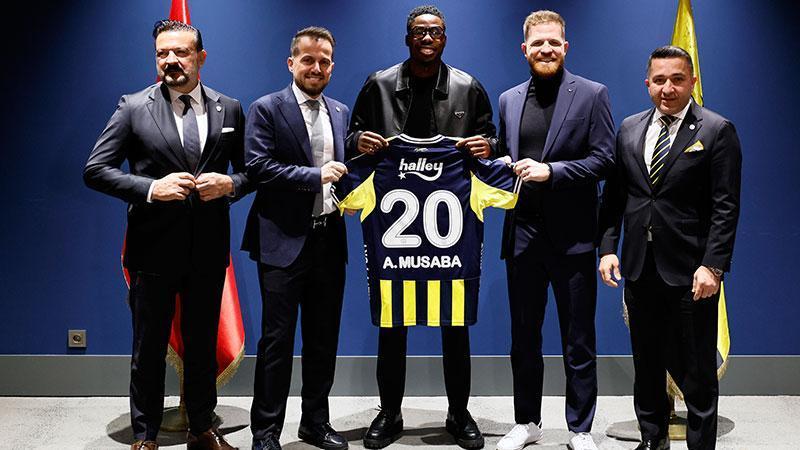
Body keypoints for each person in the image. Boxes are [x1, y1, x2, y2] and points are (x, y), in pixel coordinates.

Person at [84, 19, 249, 450]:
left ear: (200, 57)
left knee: (202, 346)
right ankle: (145, 435)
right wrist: (150, 189)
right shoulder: (132, 107)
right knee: (149, 349)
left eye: (180, 52)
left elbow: (253, 170)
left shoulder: (230, 108)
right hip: (152, 250)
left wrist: (230, 184)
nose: (170, 60)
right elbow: (95, 170)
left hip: (207, 251)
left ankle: (201, 429)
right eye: (162, 53)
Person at [346, 5, 496, 449]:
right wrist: (358, 141)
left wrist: (487, 145)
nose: (427, 38)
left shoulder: (468, 87)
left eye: (435, 31)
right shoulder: (378, 84)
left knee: (455, 326)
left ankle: (459, 413)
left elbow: (494, 139)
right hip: (396, 231)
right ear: (407, 37)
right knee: (392, 326)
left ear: (445, 38)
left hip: (450, 229)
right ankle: (389, 412)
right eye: (419, 31)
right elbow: (350, 137)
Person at [597, 45, 741, 450]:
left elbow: (726, 206)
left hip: (691, 272)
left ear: (691, 81)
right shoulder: (629, 128)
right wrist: (607, 248)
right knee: (646, 363)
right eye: (659, 80)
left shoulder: (717, 130)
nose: (668, 88)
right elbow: (614, 197)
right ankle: (653, 438)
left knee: (695, 371)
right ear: (648, 83)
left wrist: (713, 266)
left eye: (677, 79)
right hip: (639, 268)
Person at [494, 10, 615, 450]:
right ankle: (527, 422)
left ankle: (580, 429)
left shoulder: (593, 94)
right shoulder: (508, 100)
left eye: (553, 42)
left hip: (574, 238)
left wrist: (553, 172)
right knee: (523, 338)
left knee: (578, 340)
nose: (545, 49)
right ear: (524, 49)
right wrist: (497, 164)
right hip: (522, 236)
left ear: (565, 47)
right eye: (537, 43)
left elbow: (605, 160)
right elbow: (504, 155)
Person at [242, 27, 350, 450]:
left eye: (324, 61)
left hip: (329, 240)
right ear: (291, 63)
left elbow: (343, 171)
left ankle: (315, 423)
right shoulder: (267, 108)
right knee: (277, 343)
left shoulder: (339, 111)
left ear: (332, 67)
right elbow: (258, 167)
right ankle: (265, 432)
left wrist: (349, 196)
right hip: (281, 242)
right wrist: (315, 176)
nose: (316, 68)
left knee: (323, 340)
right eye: (308, 60)